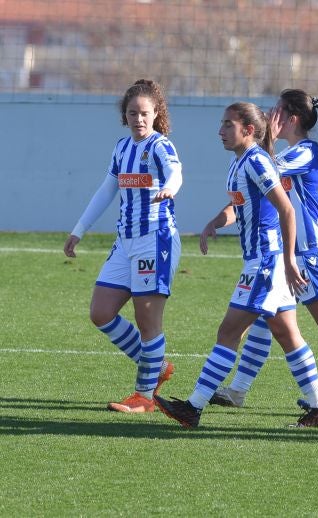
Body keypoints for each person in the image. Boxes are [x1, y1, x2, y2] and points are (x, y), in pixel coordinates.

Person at [153, 102, 318, 429]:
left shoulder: (256, 161)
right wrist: (215, 221)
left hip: (265, 263)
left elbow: (286, 210)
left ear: (248, 130)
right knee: (287, 333)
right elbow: (241, 205)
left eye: (228, 124)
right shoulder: (240, 161)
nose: (220, 131)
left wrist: (288, 260)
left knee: (229, 332)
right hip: (262, 261)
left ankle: (193, 407)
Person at [206, 89, 318, 414]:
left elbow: (265, 168)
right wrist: (221, 218)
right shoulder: (291, 151)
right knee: (265, 319)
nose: (269, 116)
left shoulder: (306, 152)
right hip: (287, 252)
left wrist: (266, 139)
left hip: (308, 252)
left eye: (275, 111)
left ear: (291, 119)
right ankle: (237, 390)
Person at [63, 79, 181, 413]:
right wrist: (79, 230)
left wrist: (170, 188)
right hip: (125, 242)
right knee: (101, 312)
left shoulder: (160, 146)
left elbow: (176, 172)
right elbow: (106, 190)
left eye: (144, 113)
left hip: (154, 240)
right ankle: (157, 366)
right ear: (124, 115)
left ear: (156, 113)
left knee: (147, 320)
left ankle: (145, 397)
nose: (138, 119)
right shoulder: (121, 148)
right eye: (132, 113)